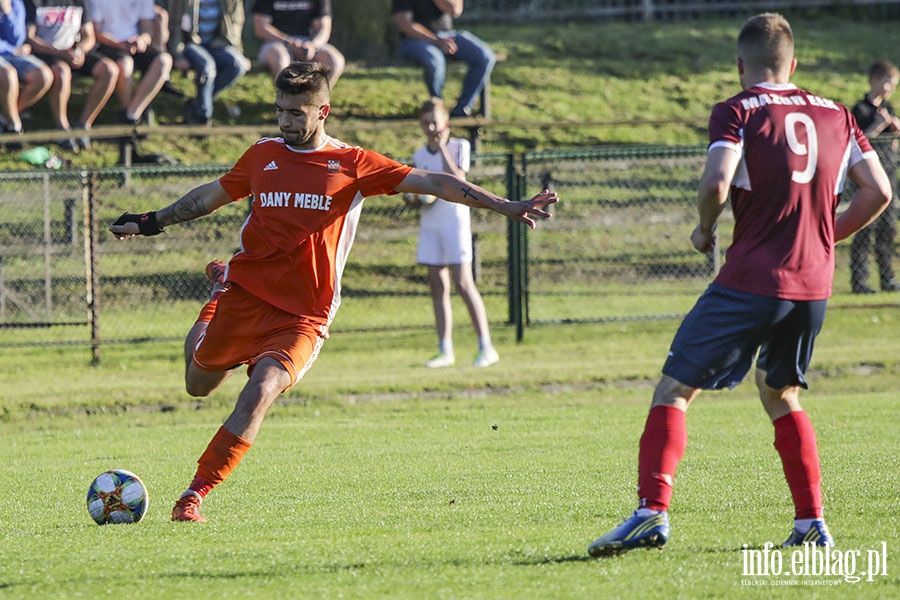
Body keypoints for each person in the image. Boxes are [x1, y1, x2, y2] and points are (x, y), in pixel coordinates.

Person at [108, 61, 557, 523]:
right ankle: (217, 295)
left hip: (304, 314)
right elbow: (208, 197)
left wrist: (506, 206)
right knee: (196, 386)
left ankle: (194, 494)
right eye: (280, 110)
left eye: (297, 113)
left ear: (323, 110)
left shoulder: (352, 164)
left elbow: (435, 182)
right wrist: (150, 222)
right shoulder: (262, 155)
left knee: (261, 388)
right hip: (246, 294)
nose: (286, 122)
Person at [587, 13, 891, 557]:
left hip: (753, 276)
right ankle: (811, 525)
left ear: (740, 65)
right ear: (793, 64)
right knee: (780, 393)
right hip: (813, 284)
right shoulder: (837, 113)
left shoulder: (737, 110)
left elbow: (717, 181)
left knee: (674, 390)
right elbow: (879, 193)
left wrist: (704, 229)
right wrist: (825, 237)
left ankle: (651, 513)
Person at [407, 97, 498, 368]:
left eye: (435, 122)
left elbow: (457, 179)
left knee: (463, 282)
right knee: (437, 284)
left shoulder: (459, 146)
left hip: (454, 222)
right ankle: (445, 348)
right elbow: (418, 189)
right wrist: (413, 199)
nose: (431, 127)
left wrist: (443, 147)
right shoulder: (419, 155)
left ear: (445, 122)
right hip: (431, 224)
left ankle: (486, 346)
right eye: (426, 123)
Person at [25, 0, 119, 151]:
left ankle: (83, 125)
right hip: (46, 53)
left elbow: (89, 36)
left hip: (72, 52)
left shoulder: (79, 2)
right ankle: (63, 129)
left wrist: (80, 51)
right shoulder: (35, 3)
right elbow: (30, 38)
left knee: (109, 70)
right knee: (62, 72)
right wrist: (59, 53)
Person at [392, 0, 495, 118]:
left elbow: (455, 10)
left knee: (485, 56)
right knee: (435, 61)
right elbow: (405, 25)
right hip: (416, 39)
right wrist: (436, 41)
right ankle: (436, 109)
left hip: (447, 35)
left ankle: (462, 109)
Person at [849, 59, 900, 294]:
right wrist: (878, 127)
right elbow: (856, 143)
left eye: (894, 85)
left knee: (887, 230)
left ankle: (887, 278)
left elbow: (894, 147)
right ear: (874, 80)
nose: (890, 89)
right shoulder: (860, 111)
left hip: (888, 178)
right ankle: (860, 282)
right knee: (864, 231)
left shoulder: (889, 110)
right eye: (887, 83)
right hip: (866, 182)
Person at [85, 0, 172, 125]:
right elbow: (96, 32)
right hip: (108, 44)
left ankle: (131, 114)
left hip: (136, 44)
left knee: (164, 61)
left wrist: (142, 40)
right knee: (125, 65)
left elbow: (147, 30)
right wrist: (119, 45)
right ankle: (130, 116)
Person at [166, 0, 248, 125]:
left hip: (218, 43)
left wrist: (238, 50)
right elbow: (174, 23)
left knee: (238, 65)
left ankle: (196, 104)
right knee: (207, 67)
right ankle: (203, 117)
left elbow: (236, 23)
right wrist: (177, 55)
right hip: (190, 43)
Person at [252, 0, 343, 88]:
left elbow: (324, 28)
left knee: (334, 60)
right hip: (276, 42)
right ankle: (286, 99)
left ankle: (315, 100)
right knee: (280, 57)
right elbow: (261, 28)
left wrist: (313, 46)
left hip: (310, 43)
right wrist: (288, 42)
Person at [0, 0, 52, 136]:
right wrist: (11, 50)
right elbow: (14, 46)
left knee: (43, 75)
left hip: (12, 53)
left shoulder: (15, 2)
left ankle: (5, 118)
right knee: (8, 74)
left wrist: (7, 11)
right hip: (10, 52)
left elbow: (17, 38)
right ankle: (14, 127)